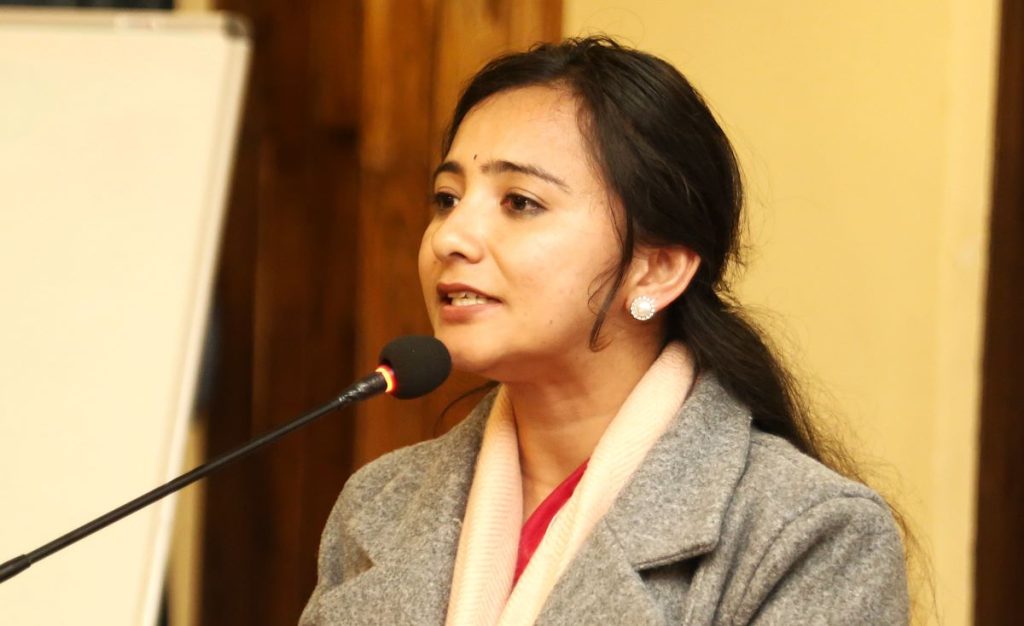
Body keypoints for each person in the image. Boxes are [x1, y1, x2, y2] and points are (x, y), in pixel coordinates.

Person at [300, 36, 909, 625]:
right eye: (446, 198)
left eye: (520, 202)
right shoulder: (378, 503)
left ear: (656, 269)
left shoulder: (808, 533)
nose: (449, 238)